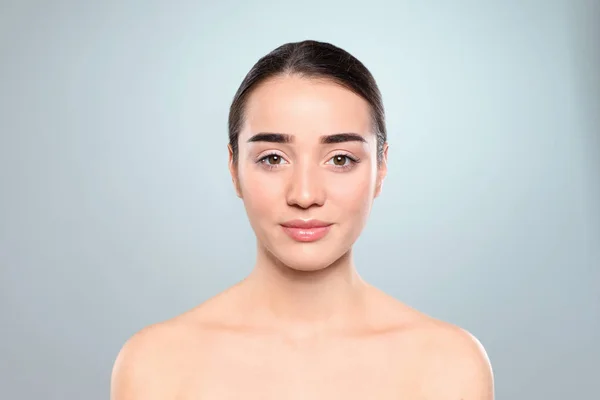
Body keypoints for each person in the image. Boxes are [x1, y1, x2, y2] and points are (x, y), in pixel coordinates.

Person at [110, 39, 494, 399]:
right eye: (272, 158)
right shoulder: (155, 365)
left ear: (381, 168)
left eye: (340, 158)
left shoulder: (449, 367)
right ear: (233, 168)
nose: (305, 196)